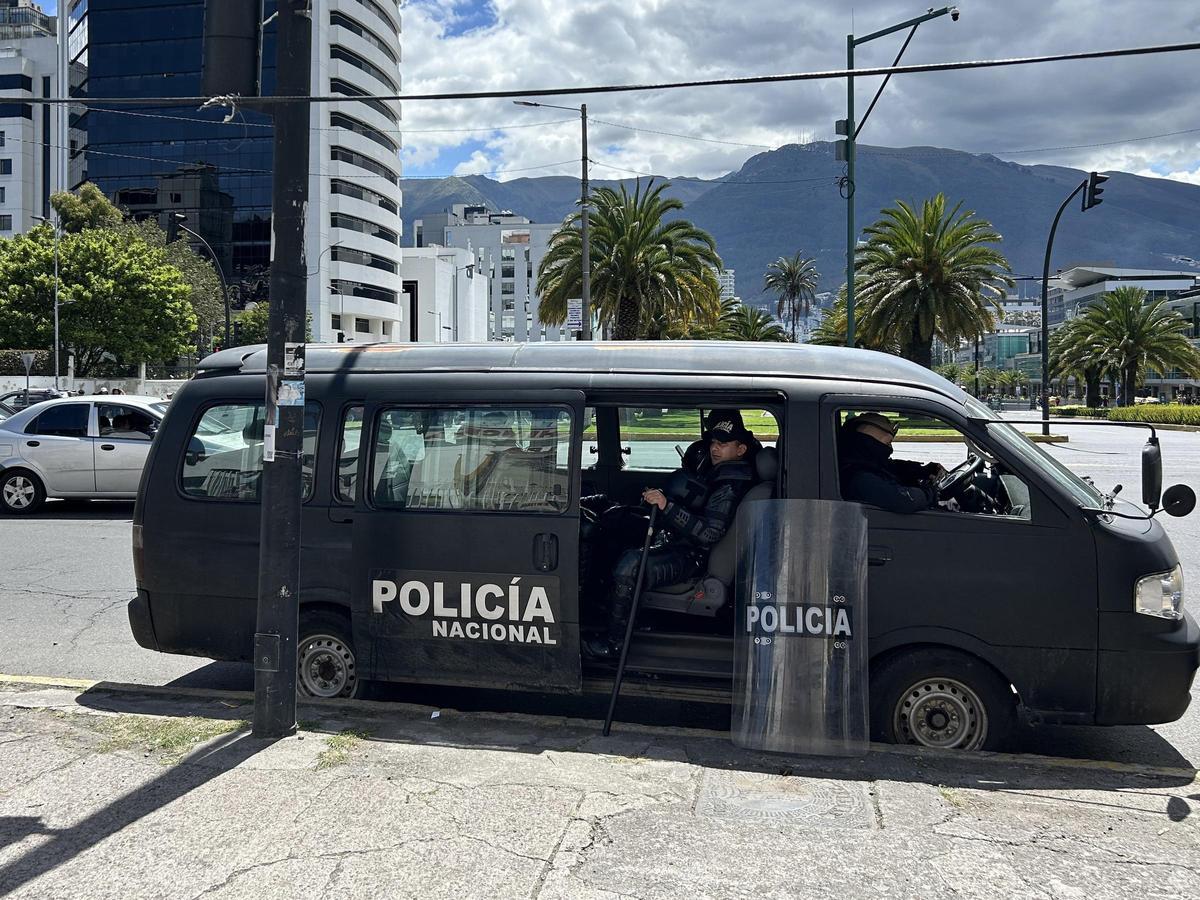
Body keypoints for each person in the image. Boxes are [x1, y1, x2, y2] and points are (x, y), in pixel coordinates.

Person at [584, 410, 759, 660]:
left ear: (741, 449)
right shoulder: (719, 473)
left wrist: (667, 506)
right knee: (617, 524)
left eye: (723, 444)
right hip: (681, 541)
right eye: (713, 442)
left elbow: (709, 533)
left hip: (693, 556)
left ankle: (614, 645)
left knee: (630, 565)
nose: (714, 449)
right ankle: (605, 607)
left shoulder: (731, 484)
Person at [838, 413, 945, 514]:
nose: (890, 449)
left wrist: (923, 470)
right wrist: (929, 493)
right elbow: (905, 500)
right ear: (869, 443)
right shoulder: (860, 478)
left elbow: (892, 467)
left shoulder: (866, 462)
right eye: (887, 443)